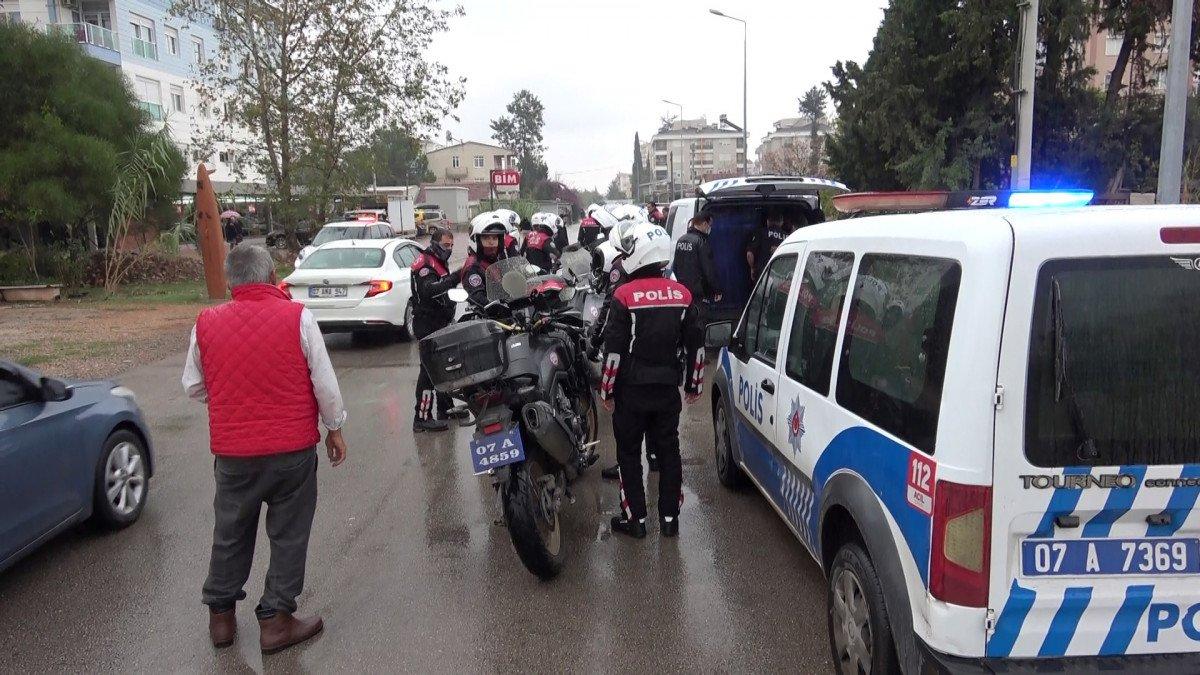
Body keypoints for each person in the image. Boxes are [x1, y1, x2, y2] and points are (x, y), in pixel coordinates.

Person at [182, 245, 347, 654]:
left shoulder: (206, 322)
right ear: (273, 275)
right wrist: (335, 428)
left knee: (230, 532)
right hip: (291, 452)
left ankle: (221, 619)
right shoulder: (297, 317)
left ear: (232, 281)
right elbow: (323, 383)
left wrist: (231, 401)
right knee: (289, 534)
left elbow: (194, 385)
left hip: (233, 455)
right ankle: (275, 620)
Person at [599, 223, 704, 539]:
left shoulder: (624, 295)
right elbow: (696, 345)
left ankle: (636, 521)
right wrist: (694, 386)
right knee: (670, 453)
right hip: (666, 390)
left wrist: (606, 391)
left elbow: (613, 351)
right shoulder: (682, 294)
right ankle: (670, 519)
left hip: (631, 393)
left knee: (629, 455)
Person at [411, 226, 461, 432]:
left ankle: (445, 409)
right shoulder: (425, 263)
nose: (448, 249)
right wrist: (456, 277)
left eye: (451, 246)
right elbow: (429, 290)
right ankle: (421, 417)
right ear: (434, 243)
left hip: (440, 322)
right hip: (426, 323)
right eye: (444, 245)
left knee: (445, 366)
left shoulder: (439, 261)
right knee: (429, 372)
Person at [672, 210, 723, 318]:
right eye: (710, 225)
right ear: (705, 224)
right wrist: (716, 290)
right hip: (699, 293)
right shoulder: (701, 242)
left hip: (682, 290)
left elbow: (675, 266)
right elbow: (708, 270)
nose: (710, 228)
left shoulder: (681, 240)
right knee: (699, 322)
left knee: (686, 320)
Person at [461, 211, 511, 307]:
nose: (492, 242)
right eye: (486, 238)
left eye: (495, 238)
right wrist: (498, 307)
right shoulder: (473, 266)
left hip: (503, 313)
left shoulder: (493, 261)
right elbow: (477, 296)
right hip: (487, 317)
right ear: (476, 241)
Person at [745, 206, 796, 281]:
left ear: (768, 221)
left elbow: (749, 254)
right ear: (781, 222)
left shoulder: (760, 233)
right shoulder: (788, 238)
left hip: (762, 275)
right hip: (782, 277)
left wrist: (752, 268)